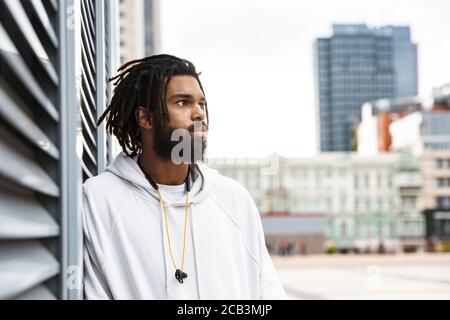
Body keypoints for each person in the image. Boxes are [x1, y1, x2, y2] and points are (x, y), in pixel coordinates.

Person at [82, 54, 286, 300]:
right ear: (145, 118)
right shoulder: (99, 199)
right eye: (182, 103)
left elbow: (269, 291)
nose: (199, 113)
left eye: (201, 103)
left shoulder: (234, 199)